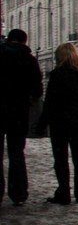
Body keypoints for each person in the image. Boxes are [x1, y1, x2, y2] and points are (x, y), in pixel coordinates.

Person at [37, 42, 78, 205]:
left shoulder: (57, 75)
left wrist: (42, 123)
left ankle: (63, 193)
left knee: (61, 157)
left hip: (60, 121)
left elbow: (49, 102)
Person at [0, 29, 44, 206]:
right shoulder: (29, 60)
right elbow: (37, 90)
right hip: (18, 112)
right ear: (25, 41)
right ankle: (18, 193)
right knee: (16, 153)